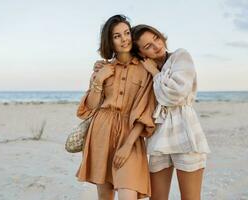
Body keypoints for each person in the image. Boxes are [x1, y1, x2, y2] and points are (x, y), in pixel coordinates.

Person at [76, 16, 156, 200]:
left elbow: (145, 110)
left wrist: (127, 145)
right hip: (101, 132)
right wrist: (98, 79)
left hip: (131, 135)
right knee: (105, 196)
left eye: (127, 33)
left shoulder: (146, 68)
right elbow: (90, 107)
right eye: (117, 36)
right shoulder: (102, 69)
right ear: (110, 41)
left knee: (129, 194)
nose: (124, 39)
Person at [131, 24, 211, 200]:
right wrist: (102, 66)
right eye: (147, 46)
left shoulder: (180, 56)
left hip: (185, 130)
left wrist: (154, 73)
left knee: (190, 198)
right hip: (159, 134)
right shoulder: (142, 69)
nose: (157, 46)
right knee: (157, 197)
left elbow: (174, 95)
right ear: (141, 54)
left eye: (156, 38)